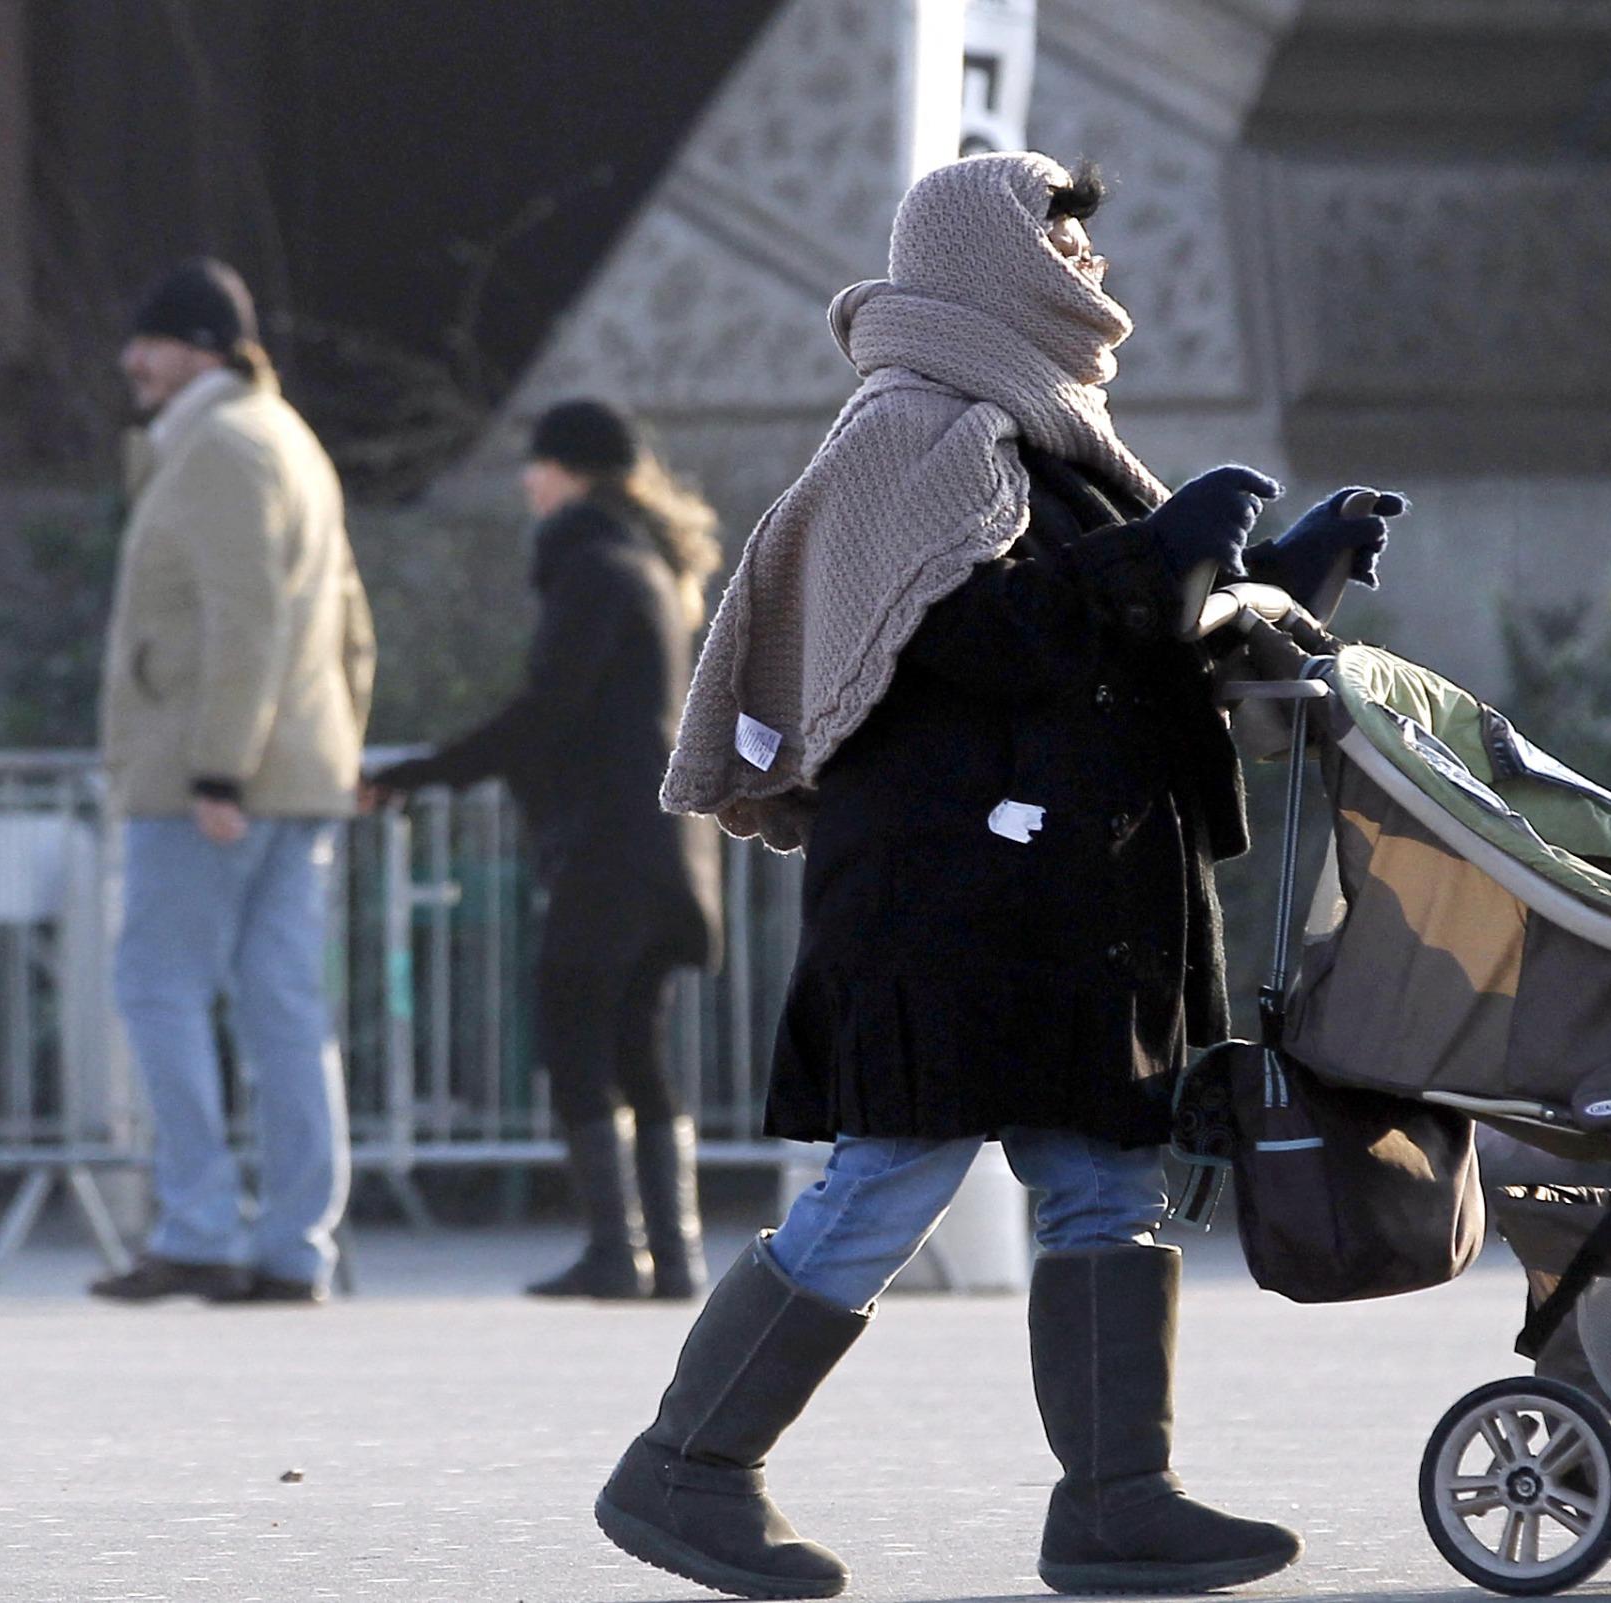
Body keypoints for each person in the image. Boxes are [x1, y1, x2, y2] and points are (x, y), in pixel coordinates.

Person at [597, 152, 1404, 1600]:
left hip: (1065, 904)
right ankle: (687, 1466)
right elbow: (984, 638)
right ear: (991, 263)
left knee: (1103, 1181)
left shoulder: (1051, 437)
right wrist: (1157, 553)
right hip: (951, 901)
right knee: (887, 1178)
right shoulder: (913, 426)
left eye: (1088, 241)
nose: (1091, 266)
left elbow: (1123, 652)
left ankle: (1116, 1500)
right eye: (1063, 240)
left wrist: (1284, 572)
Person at [366, 399, 725, 1301]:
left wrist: (417, 772)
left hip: (609, 846)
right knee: (635, 1044)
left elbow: (546, 713)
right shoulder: (645, 565)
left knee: (574, 1031)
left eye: (538, 463)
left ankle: (618, 1249)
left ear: (572, 471)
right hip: (663, 845)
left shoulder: (594, 567)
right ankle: (670, 1254)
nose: (527, 479)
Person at [90, 257, 374, 1305]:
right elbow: (350, 624)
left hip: (206, 776)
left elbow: (239, 619)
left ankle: (200, 1224)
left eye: (150, 341)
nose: (133, 360)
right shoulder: (290, 439)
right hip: (296, 774)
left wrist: (218, 764)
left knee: (156, 987)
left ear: (202, 347)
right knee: (284, 1008)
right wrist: (334, 751)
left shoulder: (215, 445)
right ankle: (297, 1245)